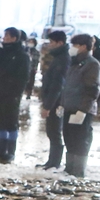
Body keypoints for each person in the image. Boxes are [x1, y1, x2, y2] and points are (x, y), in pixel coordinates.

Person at [59, 34, 100, 177]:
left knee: (80, 140)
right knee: (69, 138)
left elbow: (92, 89)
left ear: (83, 46)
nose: (72, 48)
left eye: (75, 45)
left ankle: (78, 171)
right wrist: (62, 104)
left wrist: (83, 110)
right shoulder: (75, 63)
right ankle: (69, 169)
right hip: (70, 107)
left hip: (81, 109)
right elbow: (68, 86)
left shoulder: (92, 64)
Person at [0, 27, 30, 163]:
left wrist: (16, 93)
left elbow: (23, 77)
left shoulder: (21, 55)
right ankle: (0, 147)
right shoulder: (2, 52)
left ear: (14, 38)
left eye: (7, 35)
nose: (4, 37)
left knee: (10, 122)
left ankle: (10, 150)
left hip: (11, 94)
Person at [36, 31, 70, 169]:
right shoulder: (58, 57)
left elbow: (57, 84)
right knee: (51, 131)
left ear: (59, 43)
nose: (49, 45)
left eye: (52, 42)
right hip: (53, 100)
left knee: (54, 131)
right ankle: (51, 161)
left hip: (57, 102)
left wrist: (48, 106)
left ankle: (55, 162)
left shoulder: (63, 59)